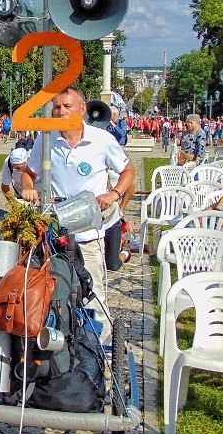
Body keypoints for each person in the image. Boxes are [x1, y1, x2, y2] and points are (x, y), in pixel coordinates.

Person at [20, 87, 136, 345]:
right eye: (57, 106)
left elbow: (128, 170)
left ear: (82, 109)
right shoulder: (46, 138)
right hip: (55, 233)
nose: (60, 111)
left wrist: (114, 194)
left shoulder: (101, 139)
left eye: (67, 106)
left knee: (94, 295)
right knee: (52, 292)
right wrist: (29, 188)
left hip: (89, 233)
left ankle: (100, 352)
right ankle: (56, 346)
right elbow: (28, 172)